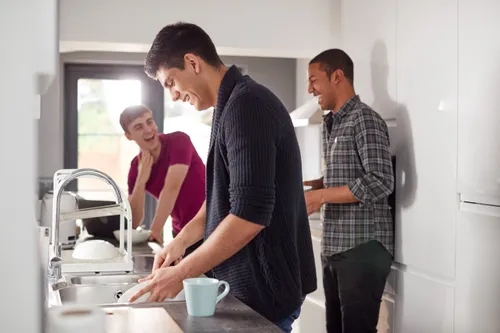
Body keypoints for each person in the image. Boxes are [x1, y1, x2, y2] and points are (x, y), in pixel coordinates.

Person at [129, 22, 317, 333]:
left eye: (171, 82)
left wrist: (180, 274)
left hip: (265, 293)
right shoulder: (229, 105)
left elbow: (249, 215)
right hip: (250, 291)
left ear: (193, 62)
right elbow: (224, 198)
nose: (173, 96)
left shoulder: (247, 105)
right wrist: (181, 242)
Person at [303, 49, 394, 333]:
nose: (309, 89)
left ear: (337, 76)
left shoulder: (364, 119)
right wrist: (319, 184)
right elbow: (354, 173)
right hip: (336, 247)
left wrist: (320, 197)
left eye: (314, 80)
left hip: (362, 247)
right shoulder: (333, 123)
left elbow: (381, 180)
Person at [121, 104, 206, 261]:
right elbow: (134, 219)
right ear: (128, 135)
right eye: (138, 127)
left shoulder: (179, 140)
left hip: (210, 225)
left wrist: (155, 230)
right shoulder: (136, 167)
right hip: (180, 233)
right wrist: (141, 180)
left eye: (149, 121)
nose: (148, 129)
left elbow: (172, 188)